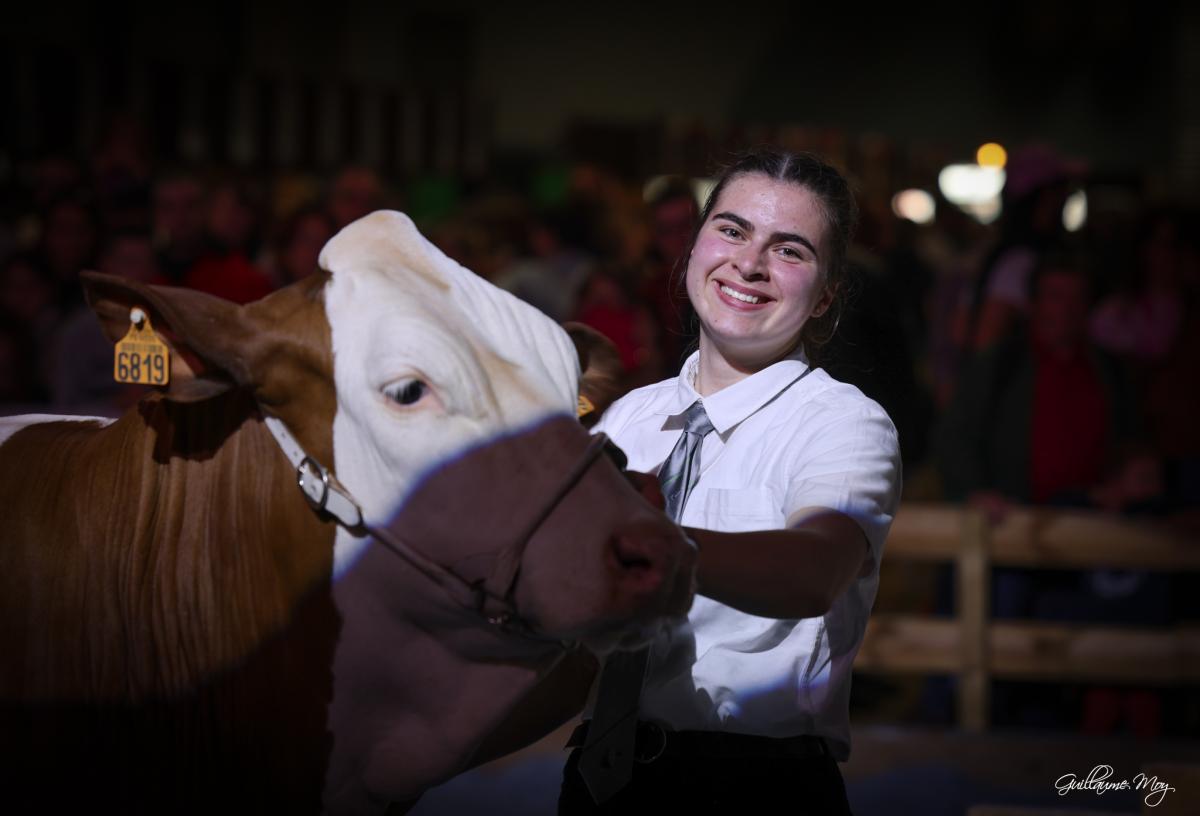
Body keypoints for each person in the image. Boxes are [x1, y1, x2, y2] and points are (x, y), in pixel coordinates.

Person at [558, 148, 902, 814]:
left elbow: (815, 571)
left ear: (827, 292)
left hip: (753, 787)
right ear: (692, 249)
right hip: (599, 775)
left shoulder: (845, 423)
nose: (749, 263)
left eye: (790, 250)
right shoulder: (633, 415)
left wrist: (654, 540)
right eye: (733, 229)